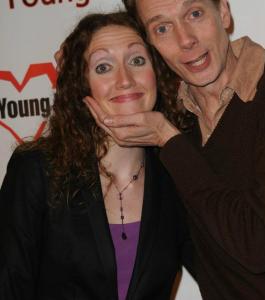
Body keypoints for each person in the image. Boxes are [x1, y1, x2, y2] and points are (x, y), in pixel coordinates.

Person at [84, 0, 265, 299]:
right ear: (151, 46)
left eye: (194, 14)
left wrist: (169, 140)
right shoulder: (175, 125)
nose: (185, 40)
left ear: (223, 12)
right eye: (162, 28)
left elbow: (259, 244)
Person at [0, 12, 194, 300]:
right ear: (81, 84)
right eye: (103, 67)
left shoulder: (179, 173)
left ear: (158, 73)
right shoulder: (37, 169)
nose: (125, 80)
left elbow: (234, 266)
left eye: (137, 61)